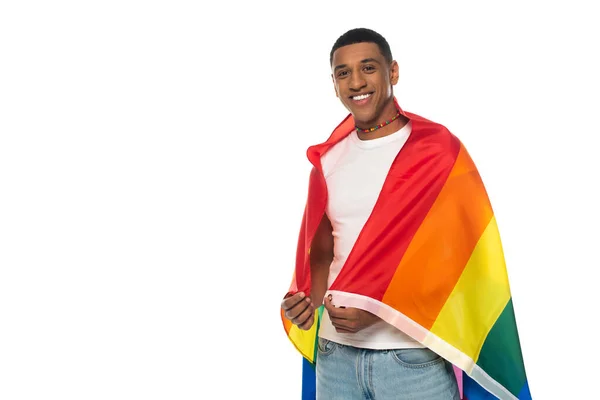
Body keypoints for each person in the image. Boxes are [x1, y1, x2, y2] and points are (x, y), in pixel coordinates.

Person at [280, 28, 530, 400]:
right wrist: (303, 302)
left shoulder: (439, 151)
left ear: (392, 72)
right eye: (343, 73)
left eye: (368, 67)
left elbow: (461, 263)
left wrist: (380, 309)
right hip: (335, 358)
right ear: (334, 85)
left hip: (411, 362)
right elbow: (321, 256)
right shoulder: (327, 160)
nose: (357, 82)